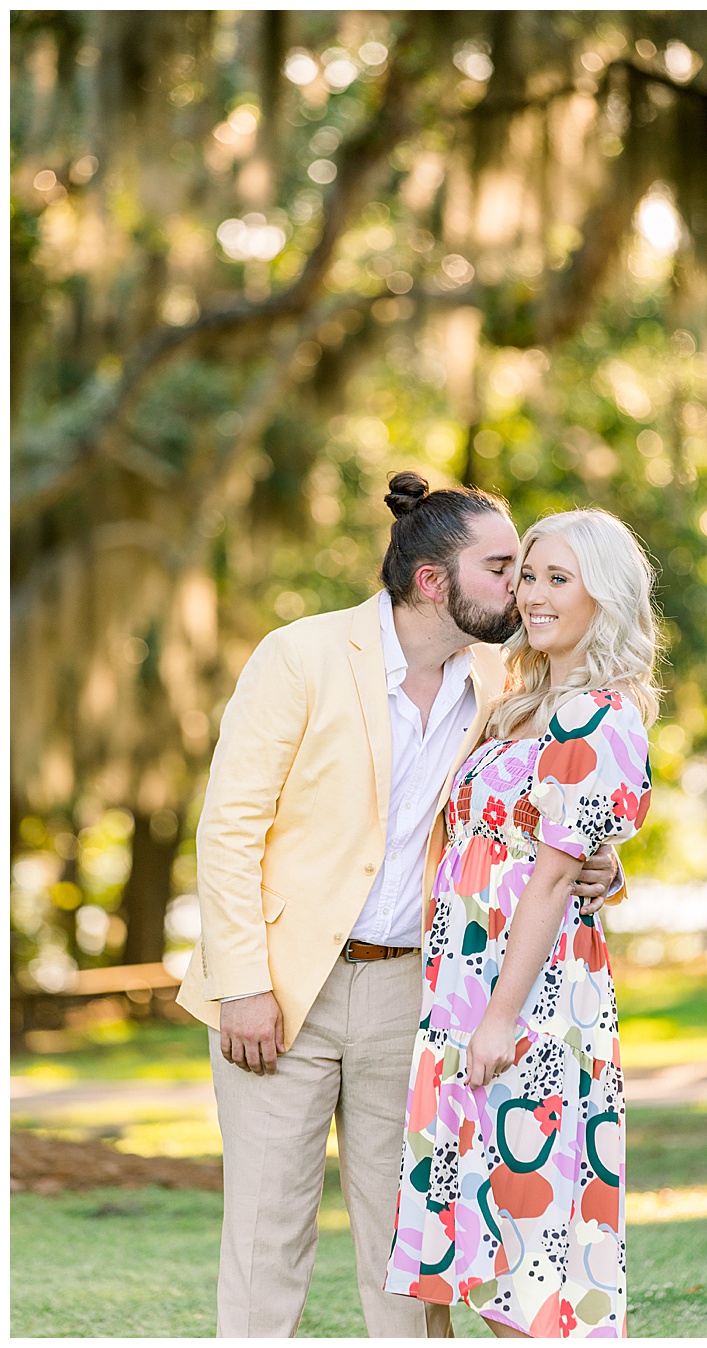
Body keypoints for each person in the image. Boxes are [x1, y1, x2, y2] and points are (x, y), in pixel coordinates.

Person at [175, 472, 622, 1337]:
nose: (523, 587)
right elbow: (227, 831)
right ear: (432, 582)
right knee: (266, 1241)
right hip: (279, 990)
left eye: (531, 570)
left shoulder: (502, 681)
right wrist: (242, 985)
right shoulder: (299, 656)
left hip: (416, 995)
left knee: (414, 1255)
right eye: (504, 568)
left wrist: (603, 864)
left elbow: (549, 809)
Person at [386, 509, 659, 1337]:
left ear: (602, 598)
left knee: (525, 1257)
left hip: (528, 1003)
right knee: (468, 1246)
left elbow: (547, 881)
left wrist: (500, 1018)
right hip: (461, 994)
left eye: (556, 580)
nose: (531, 597)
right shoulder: (519, 704)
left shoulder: (601, 714)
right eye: (526, 576)